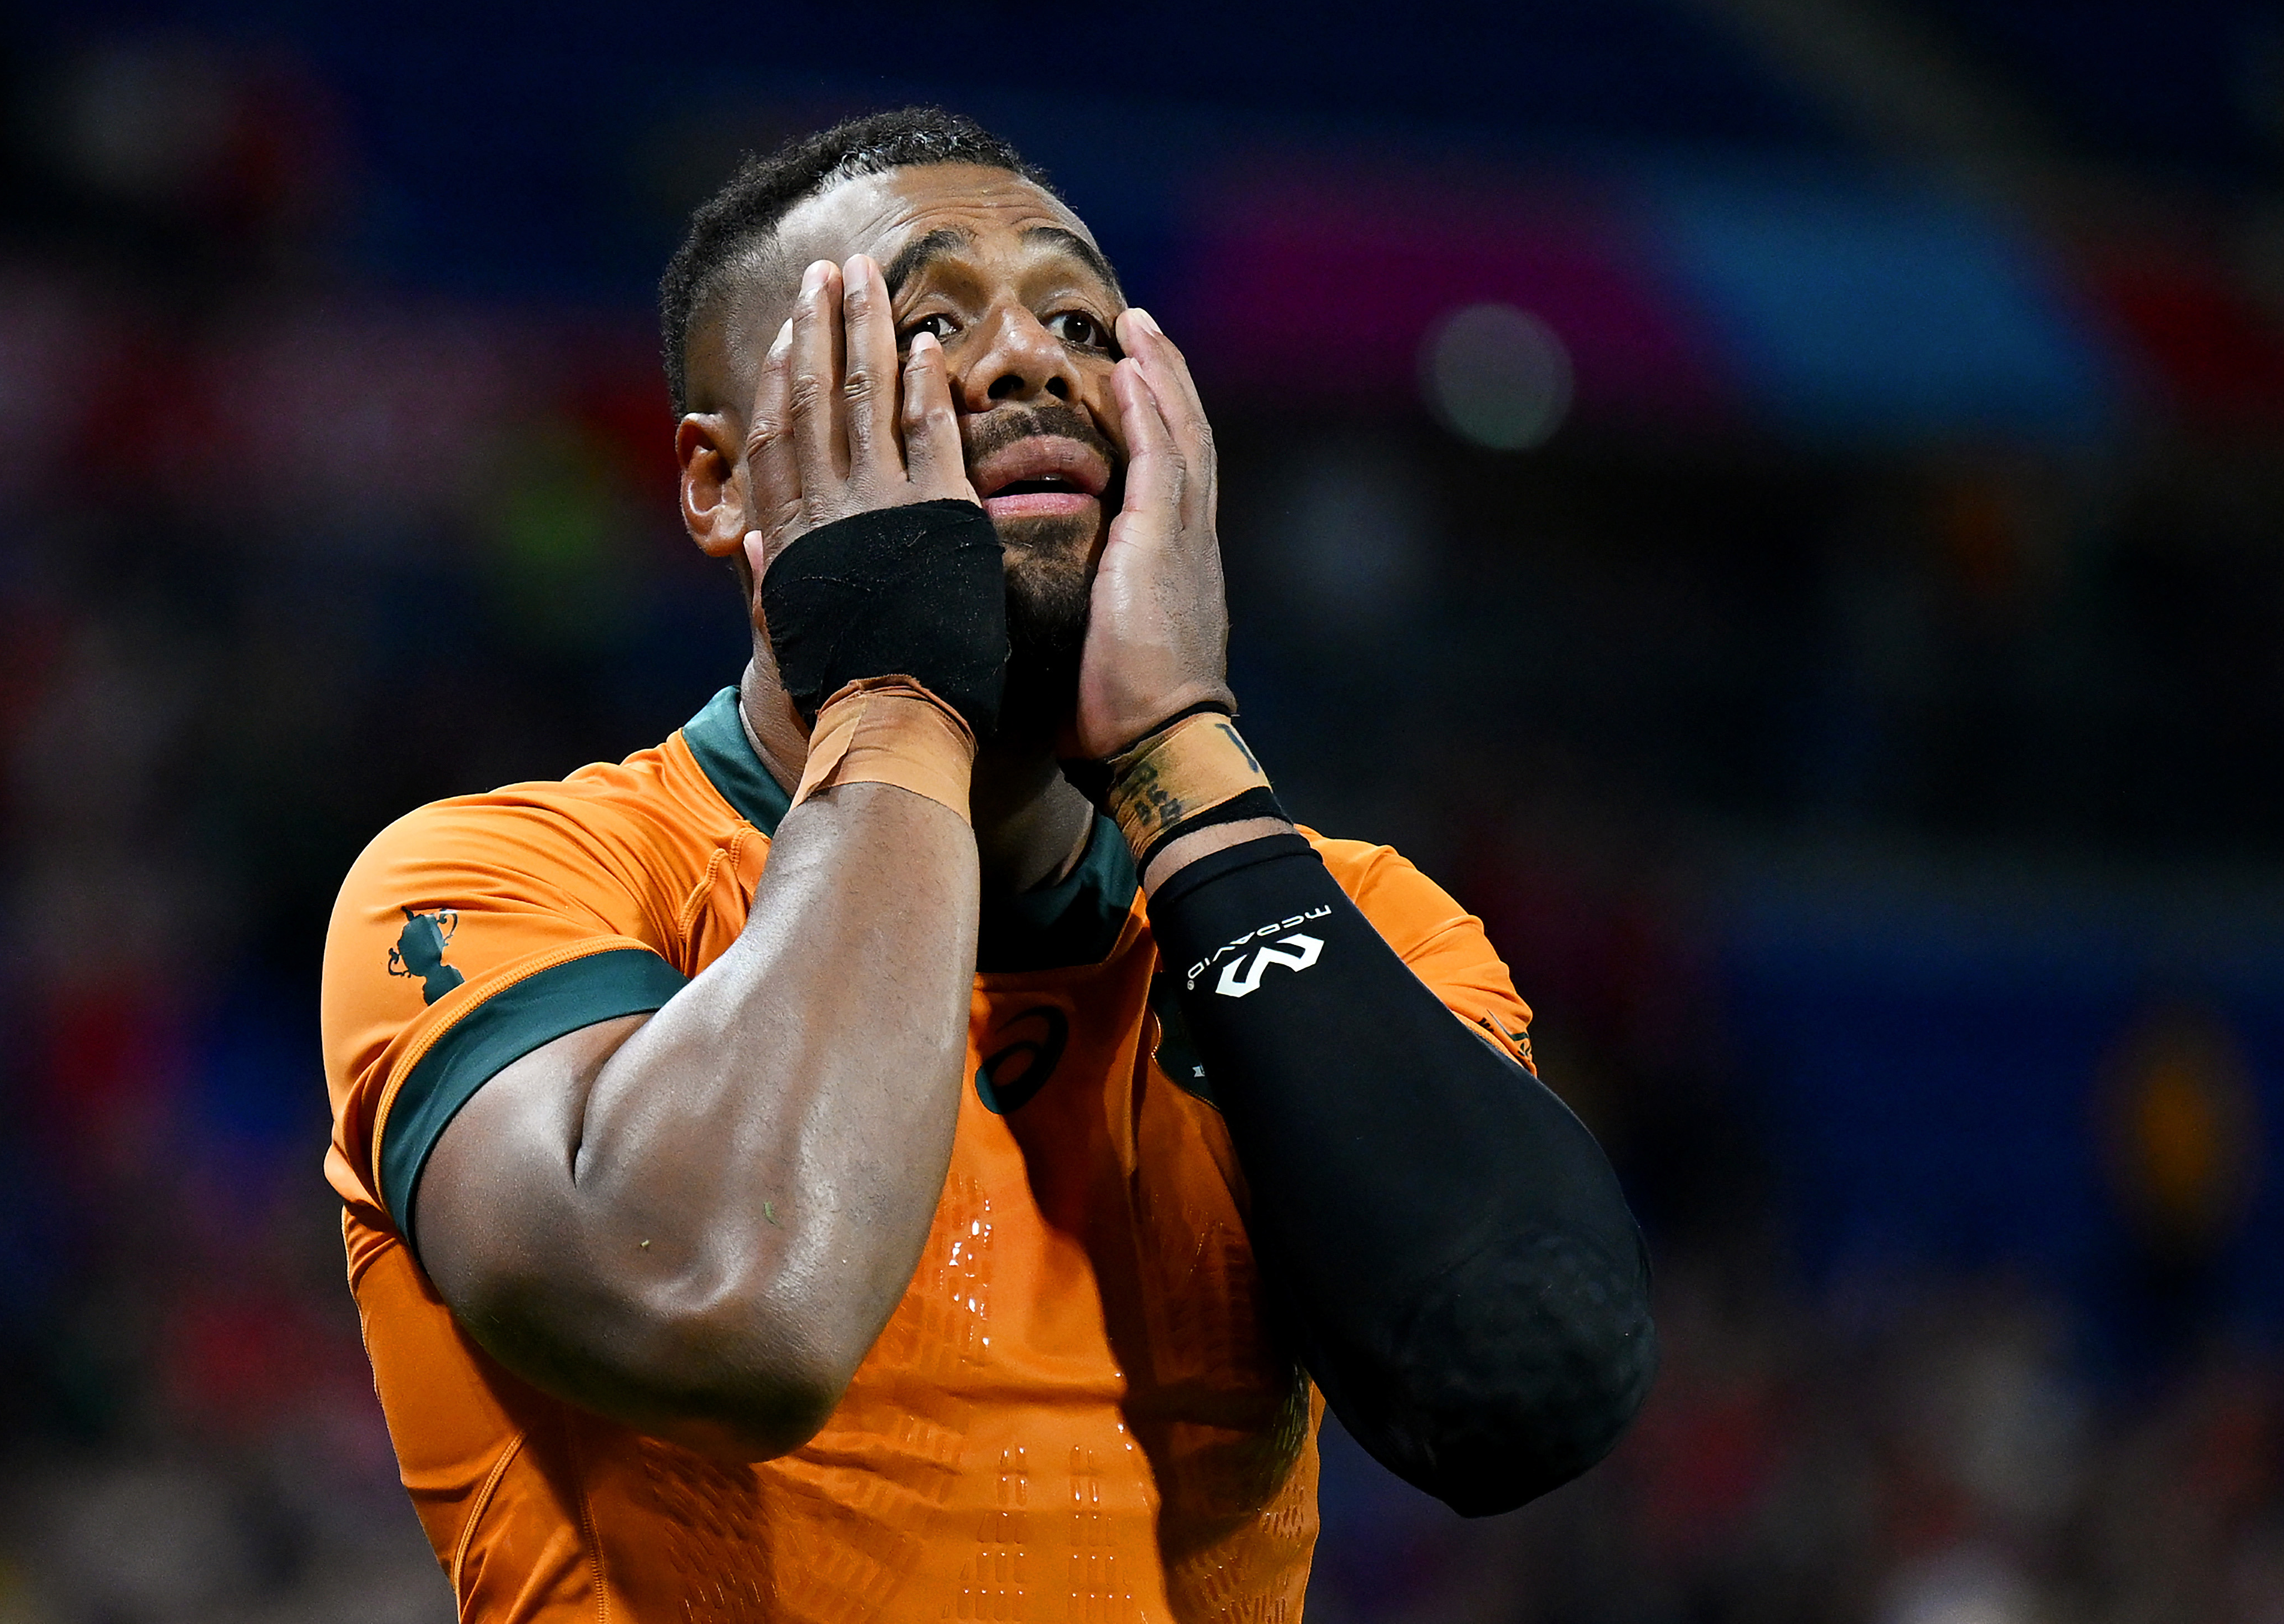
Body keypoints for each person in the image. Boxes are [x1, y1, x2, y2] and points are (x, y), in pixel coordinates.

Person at [320, 107, 1655, 1623]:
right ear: (720, 484)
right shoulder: (509, 883)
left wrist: (1185, 755)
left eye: (1079, 317)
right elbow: (730, 1312)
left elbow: (1524, 1386)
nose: (1029, 360)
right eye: (927, 319)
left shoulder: (1361, 920)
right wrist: (898, 695)